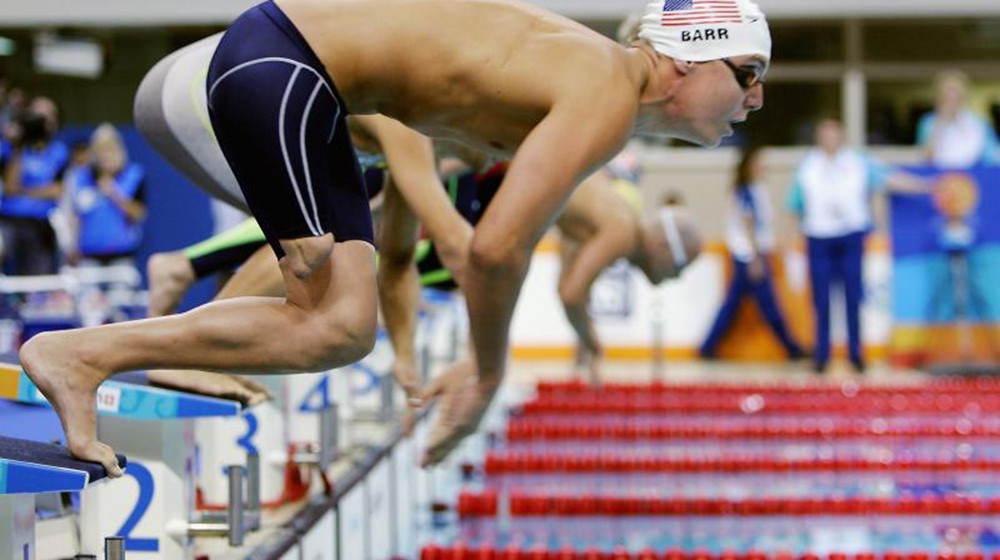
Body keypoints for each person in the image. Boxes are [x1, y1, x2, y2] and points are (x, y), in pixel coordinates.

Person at [21, 0, 771, 475]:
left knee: (342, 328)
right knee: (319, 294)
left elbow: (422, 231)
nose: (757, 97)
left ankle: (83, 355)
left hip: (309, 87)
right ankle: (98, 345)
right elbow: (494, 247)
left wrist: (412, 343)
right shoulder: (607, 89)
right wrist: (486, 372)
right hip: (281, 65)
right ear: (687, 59)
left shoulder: (581, 82)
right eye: (748, 73)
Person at [788, 119, 928, 374]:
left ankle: (855, 354)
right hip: (818, 236)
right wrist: (793, 249)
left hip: (851, 235)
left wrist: (927, 186)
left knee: (853, 297)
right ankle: (822, 355)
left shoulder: (858, 161)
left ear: (841, 137)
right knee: (821, 300)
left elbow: (889, 179)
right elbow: (794, 206)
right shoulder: (807, 166)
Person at [556, 163, 701, 383]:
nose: (675, 278)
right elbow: (571, 294)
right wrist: (593, 345)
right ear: (662, 246)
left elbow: (567, 282)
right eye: (678, 269)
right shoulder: (623, 231)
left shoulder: (620, 216)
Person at [700, 146, 803, 360]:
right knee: (766, 304)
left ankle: (708, 348)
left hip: (749, 255)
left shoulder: (754, 189)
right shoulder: (747, 191)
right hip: (749, 256)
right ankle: (792, 348)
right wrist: (756, 258)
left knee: (733, 305)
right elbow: (750, 224)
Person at [0, 104, 69, 275]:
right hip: (10, 220)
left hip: (40, 224)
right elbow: (10, 188)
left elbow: (56, 190)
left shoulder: (59, 151)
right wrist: (18, 146)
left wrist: (24, 191)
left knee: (39, 273)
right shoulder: (12, 149)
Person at [67, 124, 147, 266]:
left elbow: (138, 214)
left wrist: (113, 194)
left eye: (110, 149)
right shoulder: (81, 177)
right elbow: (75, 217)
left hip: (122, 255)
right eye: (100, 149)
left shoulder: (134, 175)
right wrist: (72, 246)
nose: (105, 155)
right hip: (88, 256)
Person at [917, 70, 999, 169]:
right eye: (947, 92)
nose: (952, 96)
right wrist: (941, 122)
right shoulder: (928, 122)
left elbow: (992, 156)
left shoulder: (979, 123)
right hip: (940, 177)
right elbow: (925, 157)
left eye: (956, 91)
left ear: (965, 94)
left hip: (974, 176)